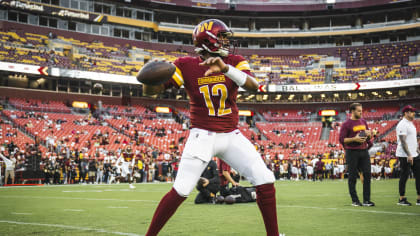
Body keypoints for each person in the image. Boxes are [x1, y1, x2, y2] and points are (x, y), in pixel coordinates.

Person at [143, 19, 279, 236]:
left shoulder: (234, 61)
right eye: (222, 37)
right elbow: (151, 92)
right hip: (202, 136)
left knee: (265, 180)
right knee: (181, 190)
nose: (227, 41)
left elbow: (254, 86)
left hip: (231, 135)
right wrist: (147, 78)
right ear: (209, 40)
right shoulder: (185, 65)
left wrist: (225, 69)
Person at [339, 103, 375, 207]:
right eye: (359, 111)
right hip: (351, 152)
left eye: (361, 110)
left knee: (367, 175)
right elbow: (342, 140)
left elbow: (367, 137)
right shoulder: (346, 124)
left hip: (364, 151)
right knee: (352, 177)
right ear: (353, 111)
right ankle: (355, 200)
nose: (361, 112)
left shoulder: (363, 121)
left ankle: (366, 200)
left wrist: (369, 136)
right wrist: (354, 139)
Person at [395, 105, 420, 206]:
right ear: (406, 113)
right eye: (412, 112)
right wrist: (409, 154)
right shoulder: (402, 124)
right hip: (405, 154)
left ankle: (419, 198)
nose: (414, 113)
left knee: (419, 175)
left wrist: (417, 148)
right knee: (404, 176)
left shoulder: (411, 124)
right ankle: (401, 198)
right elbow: (403, 141)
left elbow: (411, 139)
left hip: (415, 153)